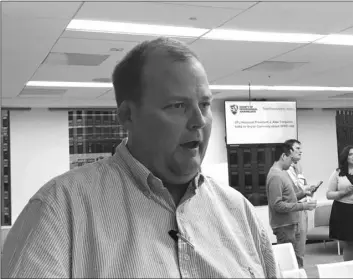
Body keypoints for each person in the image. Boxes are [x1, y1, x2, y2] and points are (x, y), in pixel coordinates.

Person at [2, 37, 279, 278]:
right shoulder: (59, 211)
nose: (199, 120)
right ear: (127, 116)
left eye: (205, 104)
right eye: (178, 105)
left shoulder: (238, 212)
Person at [266, 142, 317, 268]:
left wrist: (303, 194)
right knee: (289, 265)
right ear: (283, 156)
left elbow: (289, 199)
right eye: (290, 158)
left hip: (290, 224)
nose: (291, 163)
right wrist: (303, 206)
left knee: (296, 261)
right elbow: (277, 205)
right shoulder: (276, 176)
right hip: (284, 226)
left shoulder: (281, 174)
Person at [284, 139, 317, 267]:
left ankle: (300, 271)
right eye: (297, 148)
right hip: (291, 213)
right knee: (291, 251)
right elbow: (287, 195)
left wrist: (309, 190)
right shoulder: (283, 170)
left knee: (300, 249)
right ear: (289, 151)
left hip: (303, 210)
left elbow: (301, 187)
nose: (301, 151)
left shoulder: (298, 167)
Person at [326, 145, 353, 261]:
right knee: (349, 243)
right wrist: (343, 192)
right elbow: (328, 194)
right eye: (351, 154)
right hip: (344, 210)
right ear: (346, 157)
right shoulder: (338, 173)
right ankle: (348, 269)